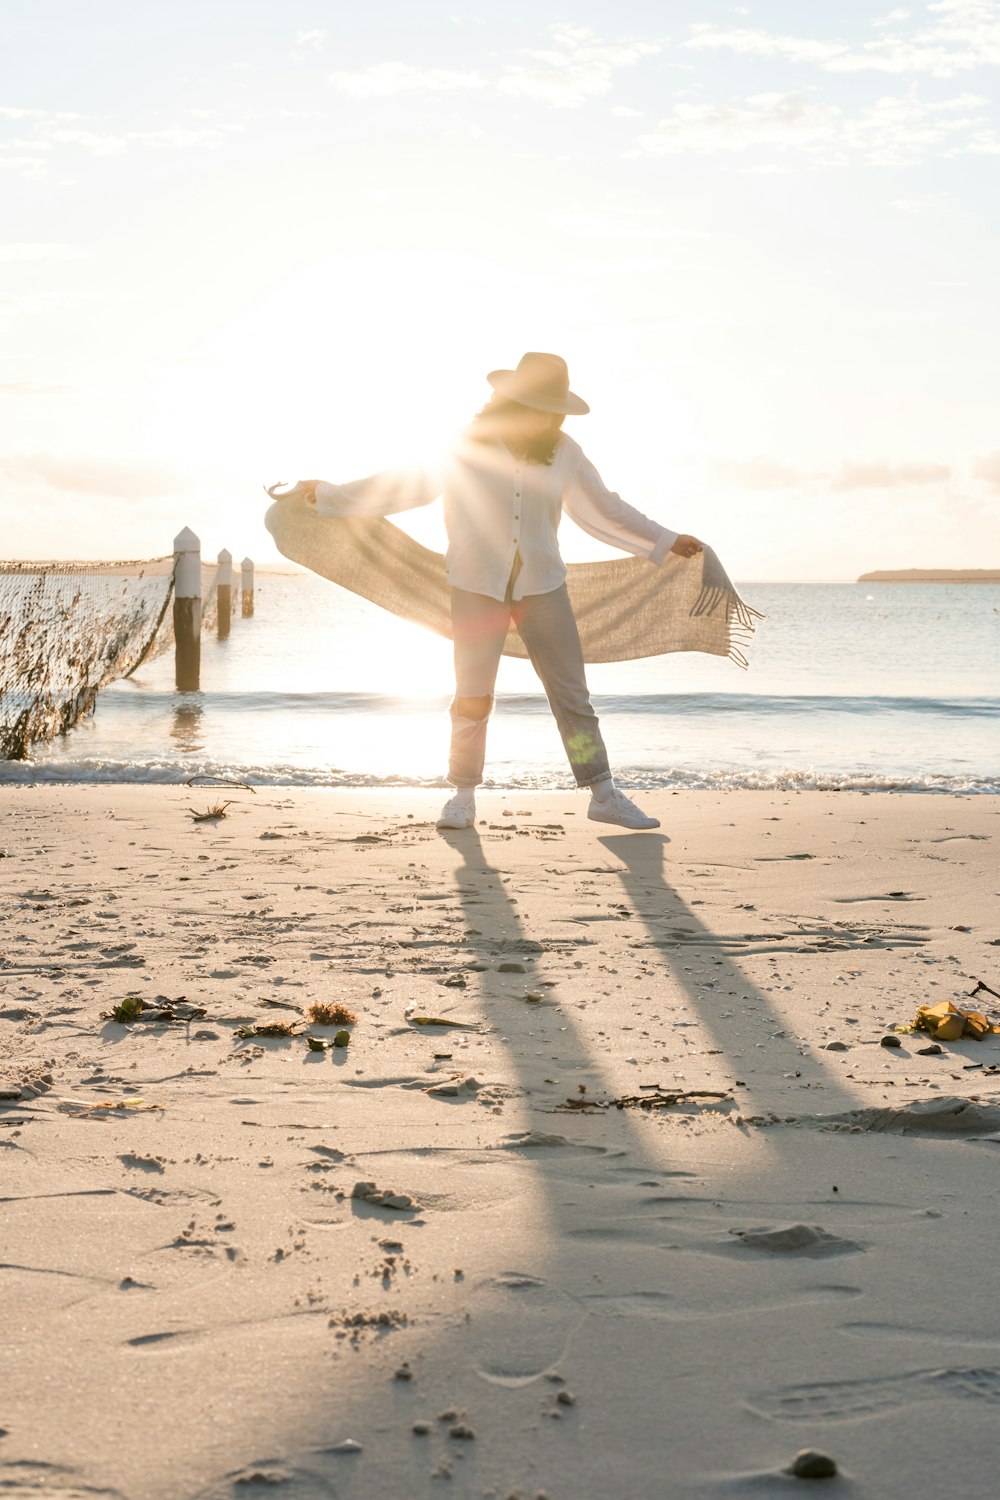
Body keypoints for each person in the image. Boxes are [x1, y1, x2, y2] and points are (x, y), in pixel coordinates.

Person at [290, 352, 703, 831]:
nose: (547, 418)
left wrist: (666, 540)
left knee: (572, 696)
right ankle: (462, 795)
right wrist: (328, 494)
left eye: (554, 410)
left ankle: (603, 794)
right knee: (473, 696)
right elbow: (405, 486)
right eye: (537, 406)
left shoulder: (564, 451)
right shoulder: (466, 446)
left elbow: (604, 508)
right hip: (476, 586)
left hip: (543, 588)